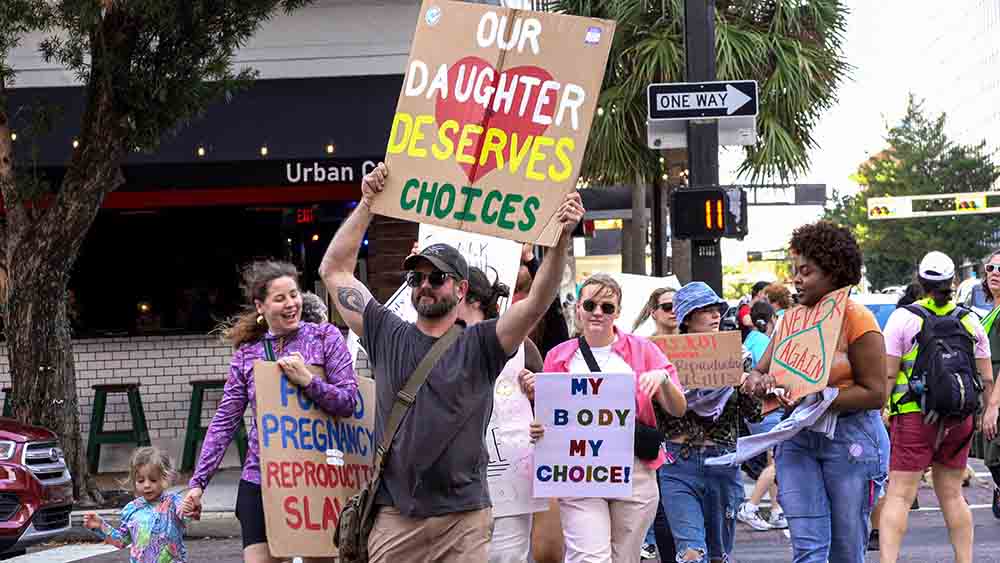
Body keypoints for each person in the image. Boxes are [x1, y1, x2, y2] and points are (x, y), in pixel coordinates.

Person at [319, 162, 584, 563]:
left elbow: (536, 303)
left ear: (460, 289)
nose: (425, 284)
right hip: (394, 518)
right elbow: (334, 270)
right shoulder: (385, 332)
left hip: (463, 520)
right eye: (417, 278)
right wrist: (368, 203)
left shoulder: (482, 343)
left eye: (437, 277)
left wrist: (561, 237)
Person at [181, 261, 357, 563]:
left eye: (294, 294)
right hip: (261, 479)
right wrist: (198, 484)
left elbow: (348, 401)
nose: (291, 304)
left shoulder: (325, 337)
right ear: (260, 306)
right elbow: (225, 422)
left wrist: (308, 381)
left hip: (316, 477)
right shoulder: (247, 353)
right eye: (280, 298)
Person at [742, 221, 890, 563]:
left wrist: (820, 394)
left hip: (850, 441)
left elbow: (876, 393)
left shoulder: (858, 320)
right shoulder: (791, 321)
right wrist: (757, 382)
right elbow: (760, 373)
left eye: (805, 272)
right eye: (795, 271)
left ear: (834, 272)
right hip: (798, 439)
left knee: (845, 551)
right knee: (808, 549)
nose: (796, 279)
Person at [522, 273, 687, 563]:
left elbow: (678, 408)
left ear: (618, 312)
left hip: (633, 470)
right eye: (590, 305)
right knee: (589, 557)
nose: (598, 312)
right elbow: (549, 418)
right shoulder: (559, 356)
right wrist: (537, 427)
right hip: (578, 468)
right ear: (578, 309)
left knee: (624, 557)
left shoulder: (644, 350)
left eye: (607, 307)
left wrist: (662, 379)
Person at [878, 251, 998, 563]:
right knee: (953, 495)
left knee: (900, 495)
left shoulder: (903, 318)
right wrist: (987, 411)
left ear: (920, 281)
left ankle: (888, 560)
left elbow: (889, 373)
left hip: (913, 417)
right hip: (959, 419)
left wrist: (881, 410)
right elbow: (986, 377)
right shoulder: (970, 320)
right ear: (952, 282)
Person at [656, 281, 762, 563]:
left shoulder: (739, 356)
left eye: (718, 309)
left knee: (719, 556)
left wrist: (744, 385)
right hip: (678, 464)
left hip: (722, 462)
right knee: (690, 554)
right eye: (706, 310)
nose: (716, 315)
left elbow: (754, 414)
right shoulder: (662, 359)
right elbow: (653, 414)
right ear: (688, 317)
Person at [458, 266, 543, 563]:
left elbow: (552, 402)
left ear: (471, 298)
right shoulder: (434, 341)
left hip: (509, 475)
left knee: (508, 557)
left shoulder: (519, 344)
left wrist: (537, 391)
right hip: (455, 482)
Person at [632, 287, 679, 560]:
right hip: (657, 437)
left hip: (691, 440)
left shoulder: (705, 345)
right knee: (661, 510)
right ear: (654, 312)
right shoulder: (643, 349)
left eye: (678, 305)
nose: (674, 311)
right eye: (667, 306)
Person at [85, 447, 190, 562]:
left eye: (153, 480)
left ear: (165, 478)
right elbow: (122, 541)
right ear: (134, 480)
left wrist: (190, 509)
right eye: (140, 480)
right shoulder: (132, 509)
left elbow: (187, 514)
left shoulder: (173, 503)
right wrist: (101, 526)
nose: (146, 485)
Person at [735, 299, 787, 532]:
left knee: (773, 459)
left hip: (759, 411)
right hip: (767, 410)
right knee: (776, 462)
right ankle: (752, 506)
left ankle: (776, 510)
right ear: (769, 321)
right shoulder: (764, 342)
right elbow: (772, 370)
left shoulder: (750, 340)